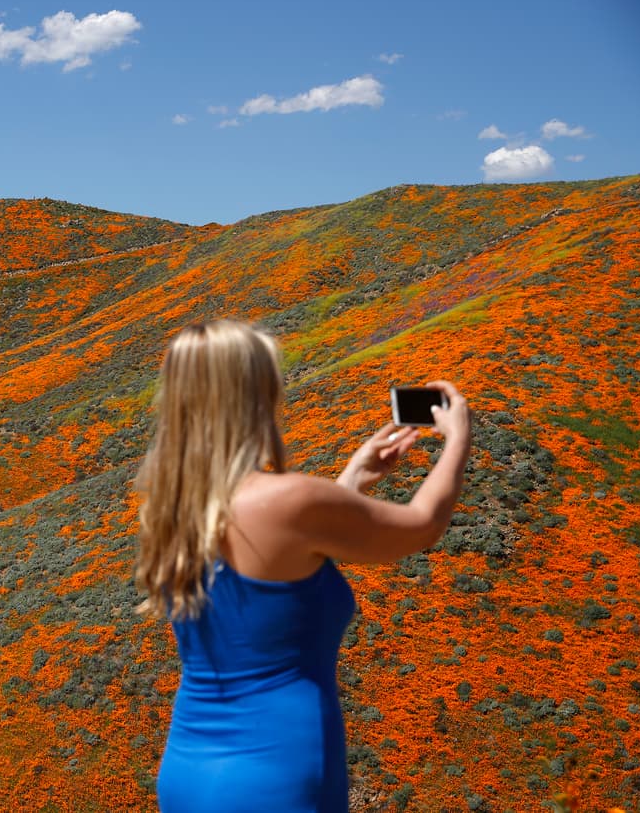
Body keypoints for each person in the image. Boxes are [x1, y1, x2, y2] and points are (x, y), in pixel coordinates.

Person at [133, 319, 470, 813]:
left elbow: (274, 558)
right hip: (275, 777)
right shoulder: (288, 501)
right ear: (254, 395)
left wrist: (350, 480)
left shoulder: (178, 510)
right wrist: (457, 438)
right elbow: (421, 525)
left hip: (189, 773)